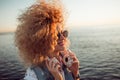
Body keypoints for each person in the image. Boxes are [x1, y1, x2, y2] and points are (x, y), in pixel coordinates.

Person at [15, 0, 80, 80]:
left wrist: (75, 73)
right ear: (43, 39)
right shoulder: (34, 74)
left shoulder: (68, 60)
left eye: (64, 33)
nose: (63, 38)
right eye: (57, 35)